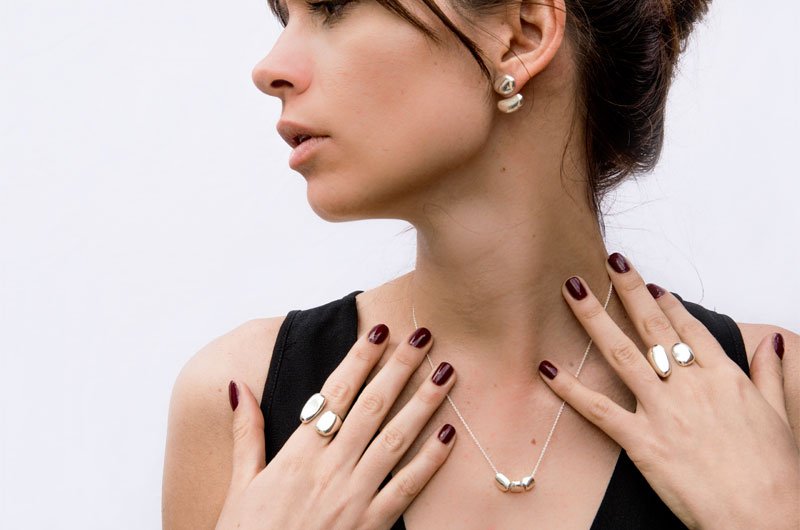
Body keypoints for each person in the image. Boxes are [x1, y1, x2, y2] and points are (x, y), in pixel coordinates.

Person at [162, 0, 800, 528]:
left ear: (522, 35)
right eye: (286, 18)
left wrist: (771, 516)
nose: (269, 69)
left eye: (332, 8)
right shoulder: (241, 401)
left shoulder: (778, 393)